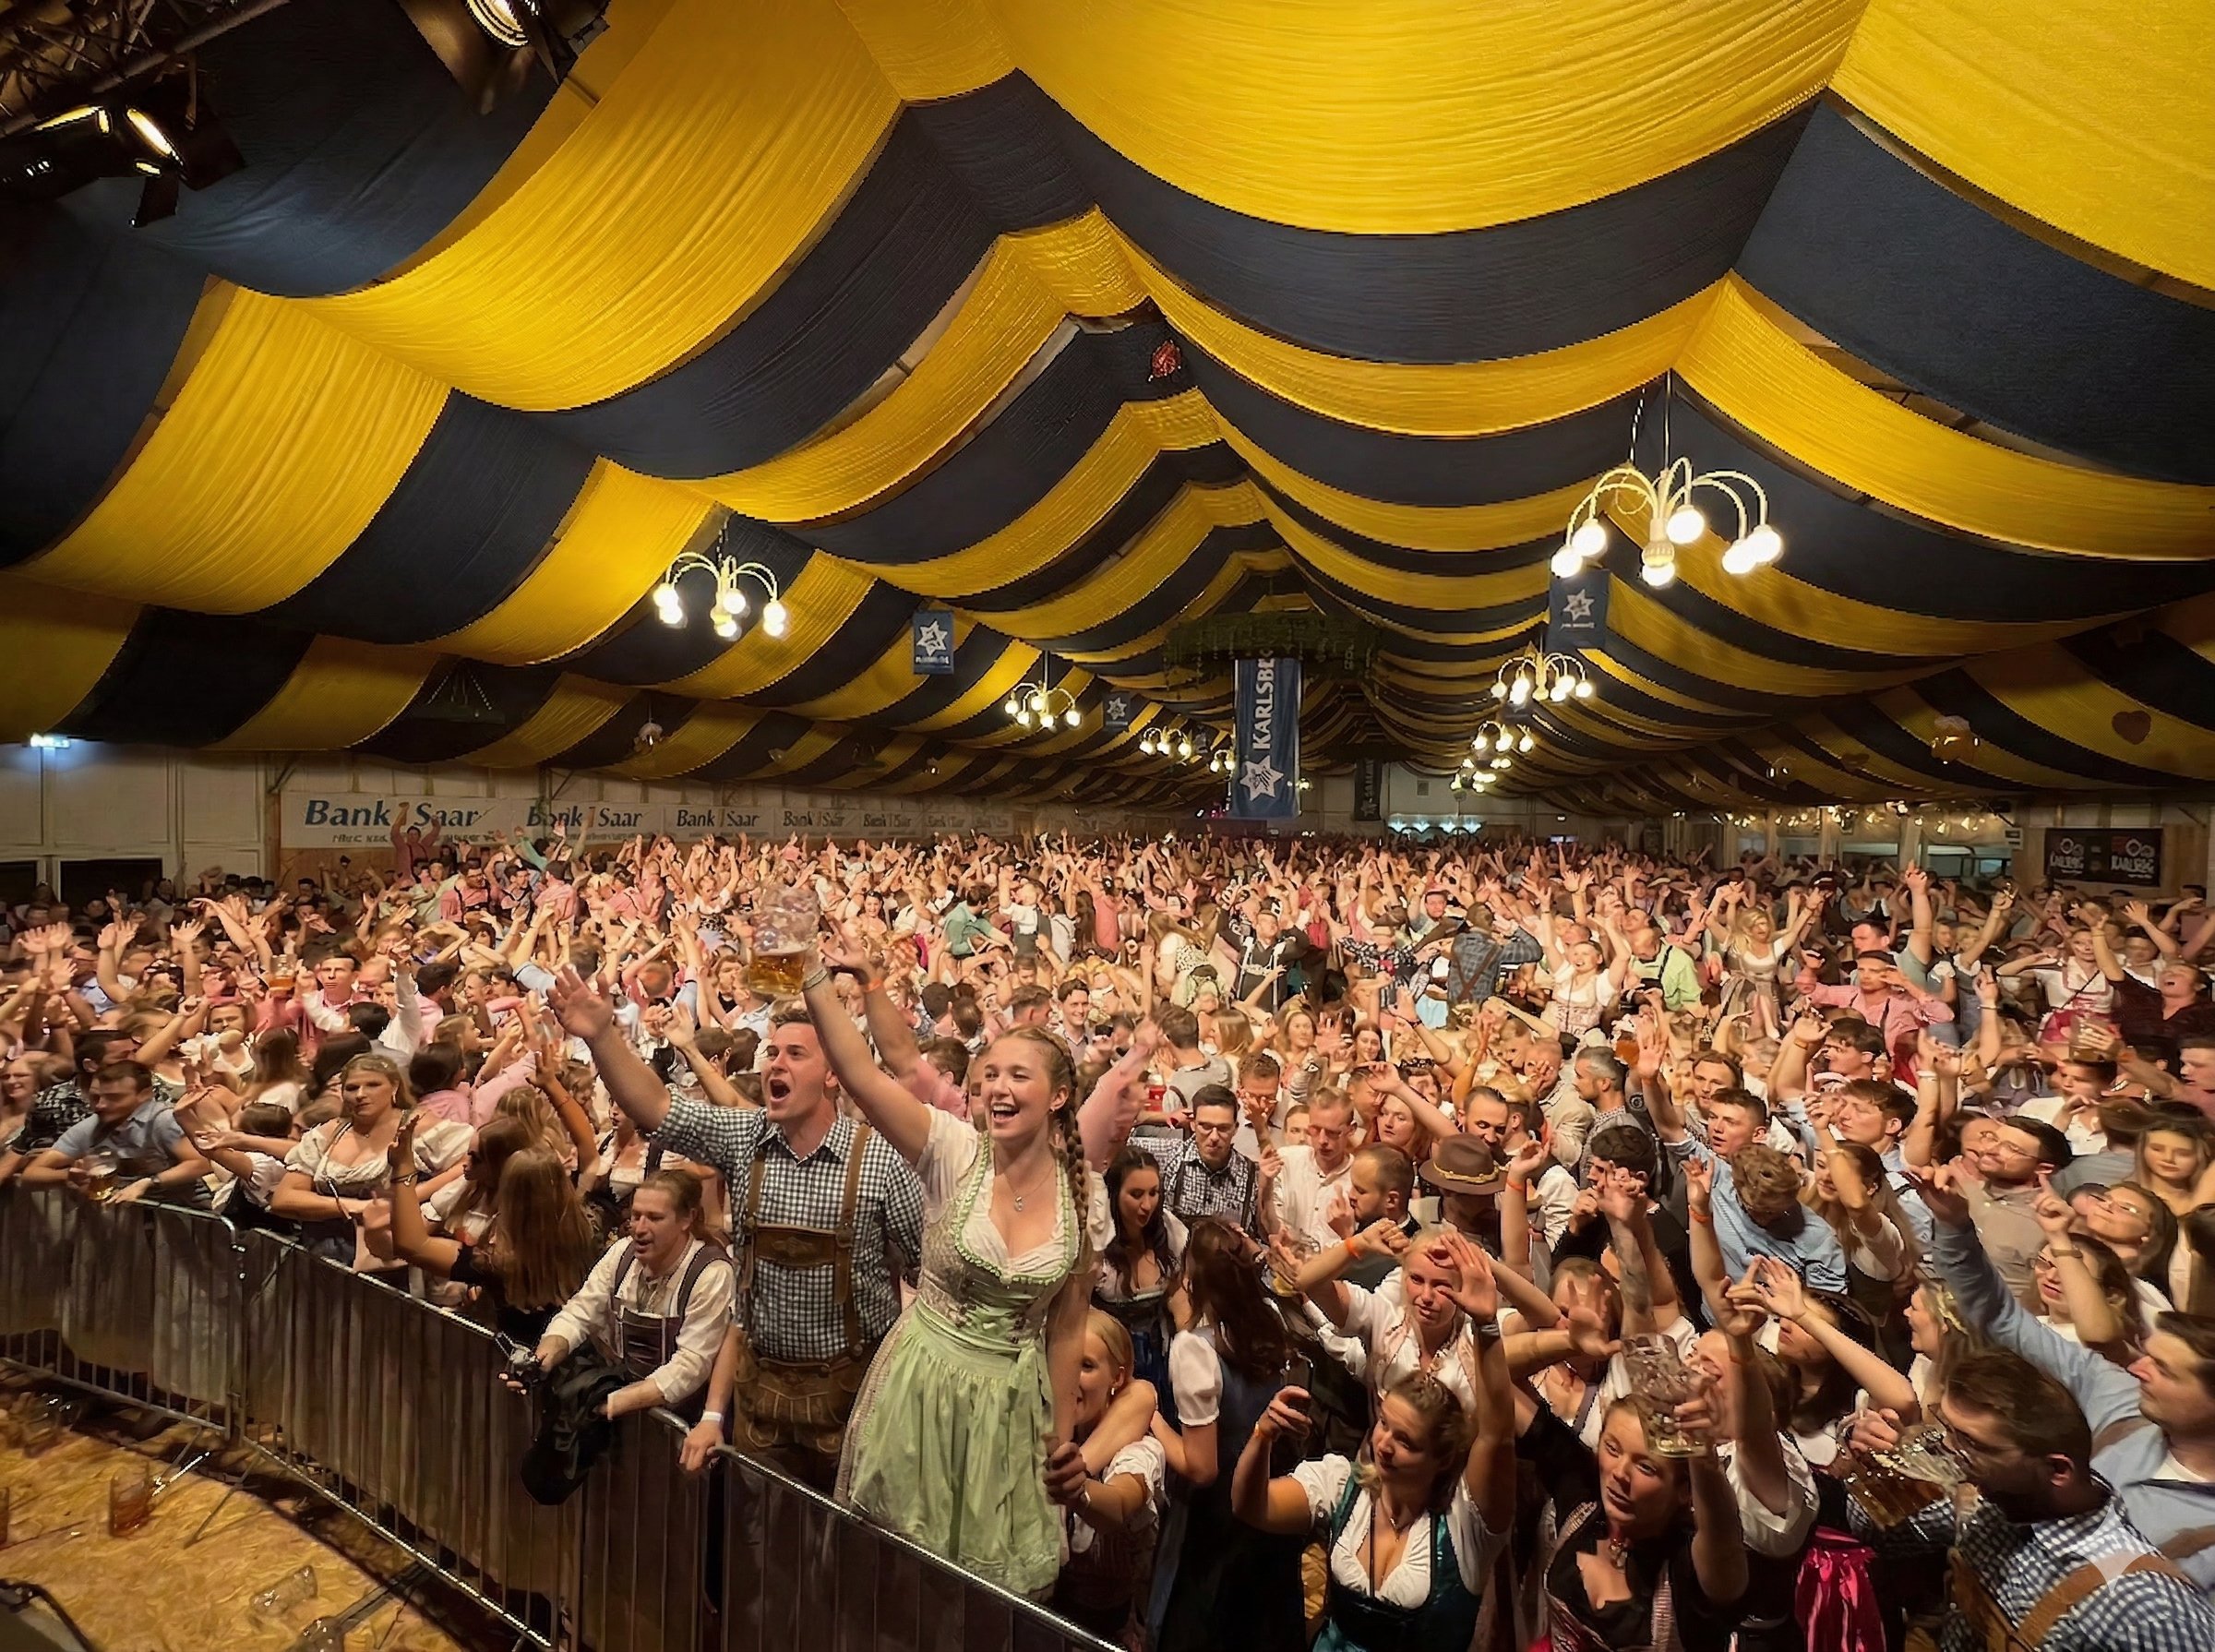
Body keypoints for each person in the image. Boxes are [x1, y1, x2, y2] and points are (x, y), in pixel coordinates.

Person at [794, 939, 1099, 1598]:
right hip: (923, 1389)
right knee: (898, 1587)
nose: (997, 1087)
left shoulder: (1085, 1194)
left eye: (1018, 1075)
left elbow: (1068, 1329)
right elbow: (863, 1075)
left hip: (1012, 1409)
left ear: (1058, 1097)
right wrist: (811, 974)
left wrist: (1061, 1439)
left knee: (985, 1600)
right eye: (989, 1075)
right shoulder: (953, 1151)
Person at [550, 975, 921, 1490]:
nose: (775, 1064)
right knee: (763, 1546)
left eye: (795, 1054)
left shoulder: (881, 1162)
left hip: (855, 1403)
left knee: (850, 1553)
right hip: (760, 1399)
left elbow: (933, 1284)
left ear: (833, 1074)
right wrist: (601, 1035)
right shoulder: (745, 1139)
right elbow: (655, 1108)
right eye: (772, 1052)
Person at [1229, 1251, 1515, 1652]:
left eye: (1407, 1442)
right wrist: (1262, 1436)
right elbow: (1251, 1506)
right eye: (1385, 1424)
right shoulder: (1345, 1485)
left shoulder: (1464, 1522)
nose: (1384, 1444)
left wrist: (1486, 1324)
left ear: (1443, 1457)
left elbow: (1498, 1436)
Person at [1847, 1347, 2215, 1650]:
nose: (1946, 1447)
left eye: (1970, 1442)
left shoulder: (2149, 1607)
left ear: (2058, 1470)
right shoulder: (1994, 1504)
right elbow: (1879, 1537)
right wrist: (1870, 1464)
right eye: (1948, 1429)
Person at [530, 1168, 735, 1419]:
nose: (639, 1228)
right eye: (636, 1216)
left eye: (654, 1218)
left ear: (687, 1219)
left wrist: (614, 1402)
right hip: (626, 1413)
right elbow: (579, 1313)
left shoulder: (711, 1274)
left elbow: (691, 1365)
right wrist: (545, 1355)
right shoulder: (621, 1253)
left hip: (684, 1420)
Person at [385, 1115, 597, 1344]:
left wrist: (404, 1167)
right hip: (571, 1355)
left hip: (513, 1364)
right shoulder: (592, 1230)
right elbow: (592, 1159)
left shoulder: (499, 1263)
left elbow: (412, 1245)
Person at [1048, 1311, 1166, 1644]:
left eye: (1086, 1366)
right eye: (1064, 1362)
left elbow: (1118, 1504)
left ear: (1117, 1377)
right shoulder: (1045, 1427)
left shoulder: (1140, 1450)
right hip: (1039, 1618)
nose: (1070, 1377)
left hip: (1105, 1631)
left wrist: (1078, 1489)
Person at [17, 1059, 212, 1207]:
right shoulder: (92, 1125)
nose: (101, 1105)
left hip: (185, 1213)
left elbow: (198, 1163)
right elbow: (32, 1174)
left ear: (144, 1095)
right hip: (131, 1220)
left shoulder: (162, 1119)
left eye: (114, 1098)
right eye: (97, 1097)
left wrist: (147, 1183)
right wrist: (68, 1176)